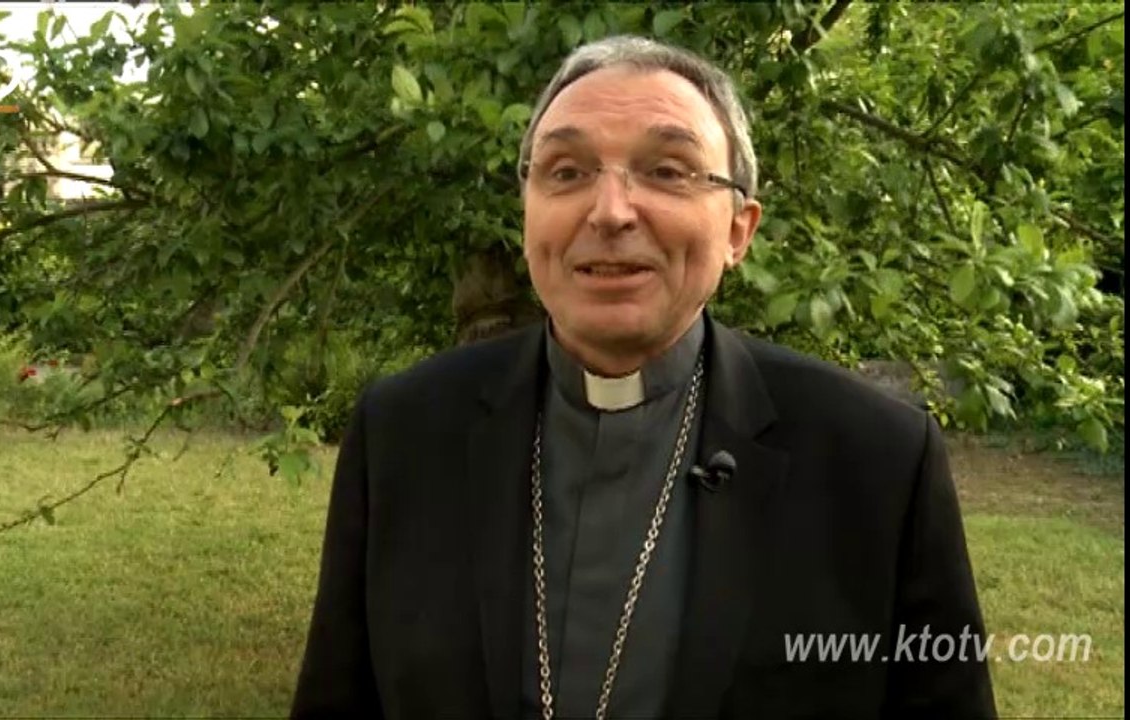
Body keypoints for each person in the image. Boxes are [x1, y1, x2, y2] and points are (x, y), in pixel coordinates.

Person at [292, 36, 996, 719]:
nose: (609, 212)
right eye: (566, 171)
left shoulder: (878, 462)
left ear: (739, 230)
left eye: (666, 170)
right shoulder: (402, 432)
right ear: (527, 211)